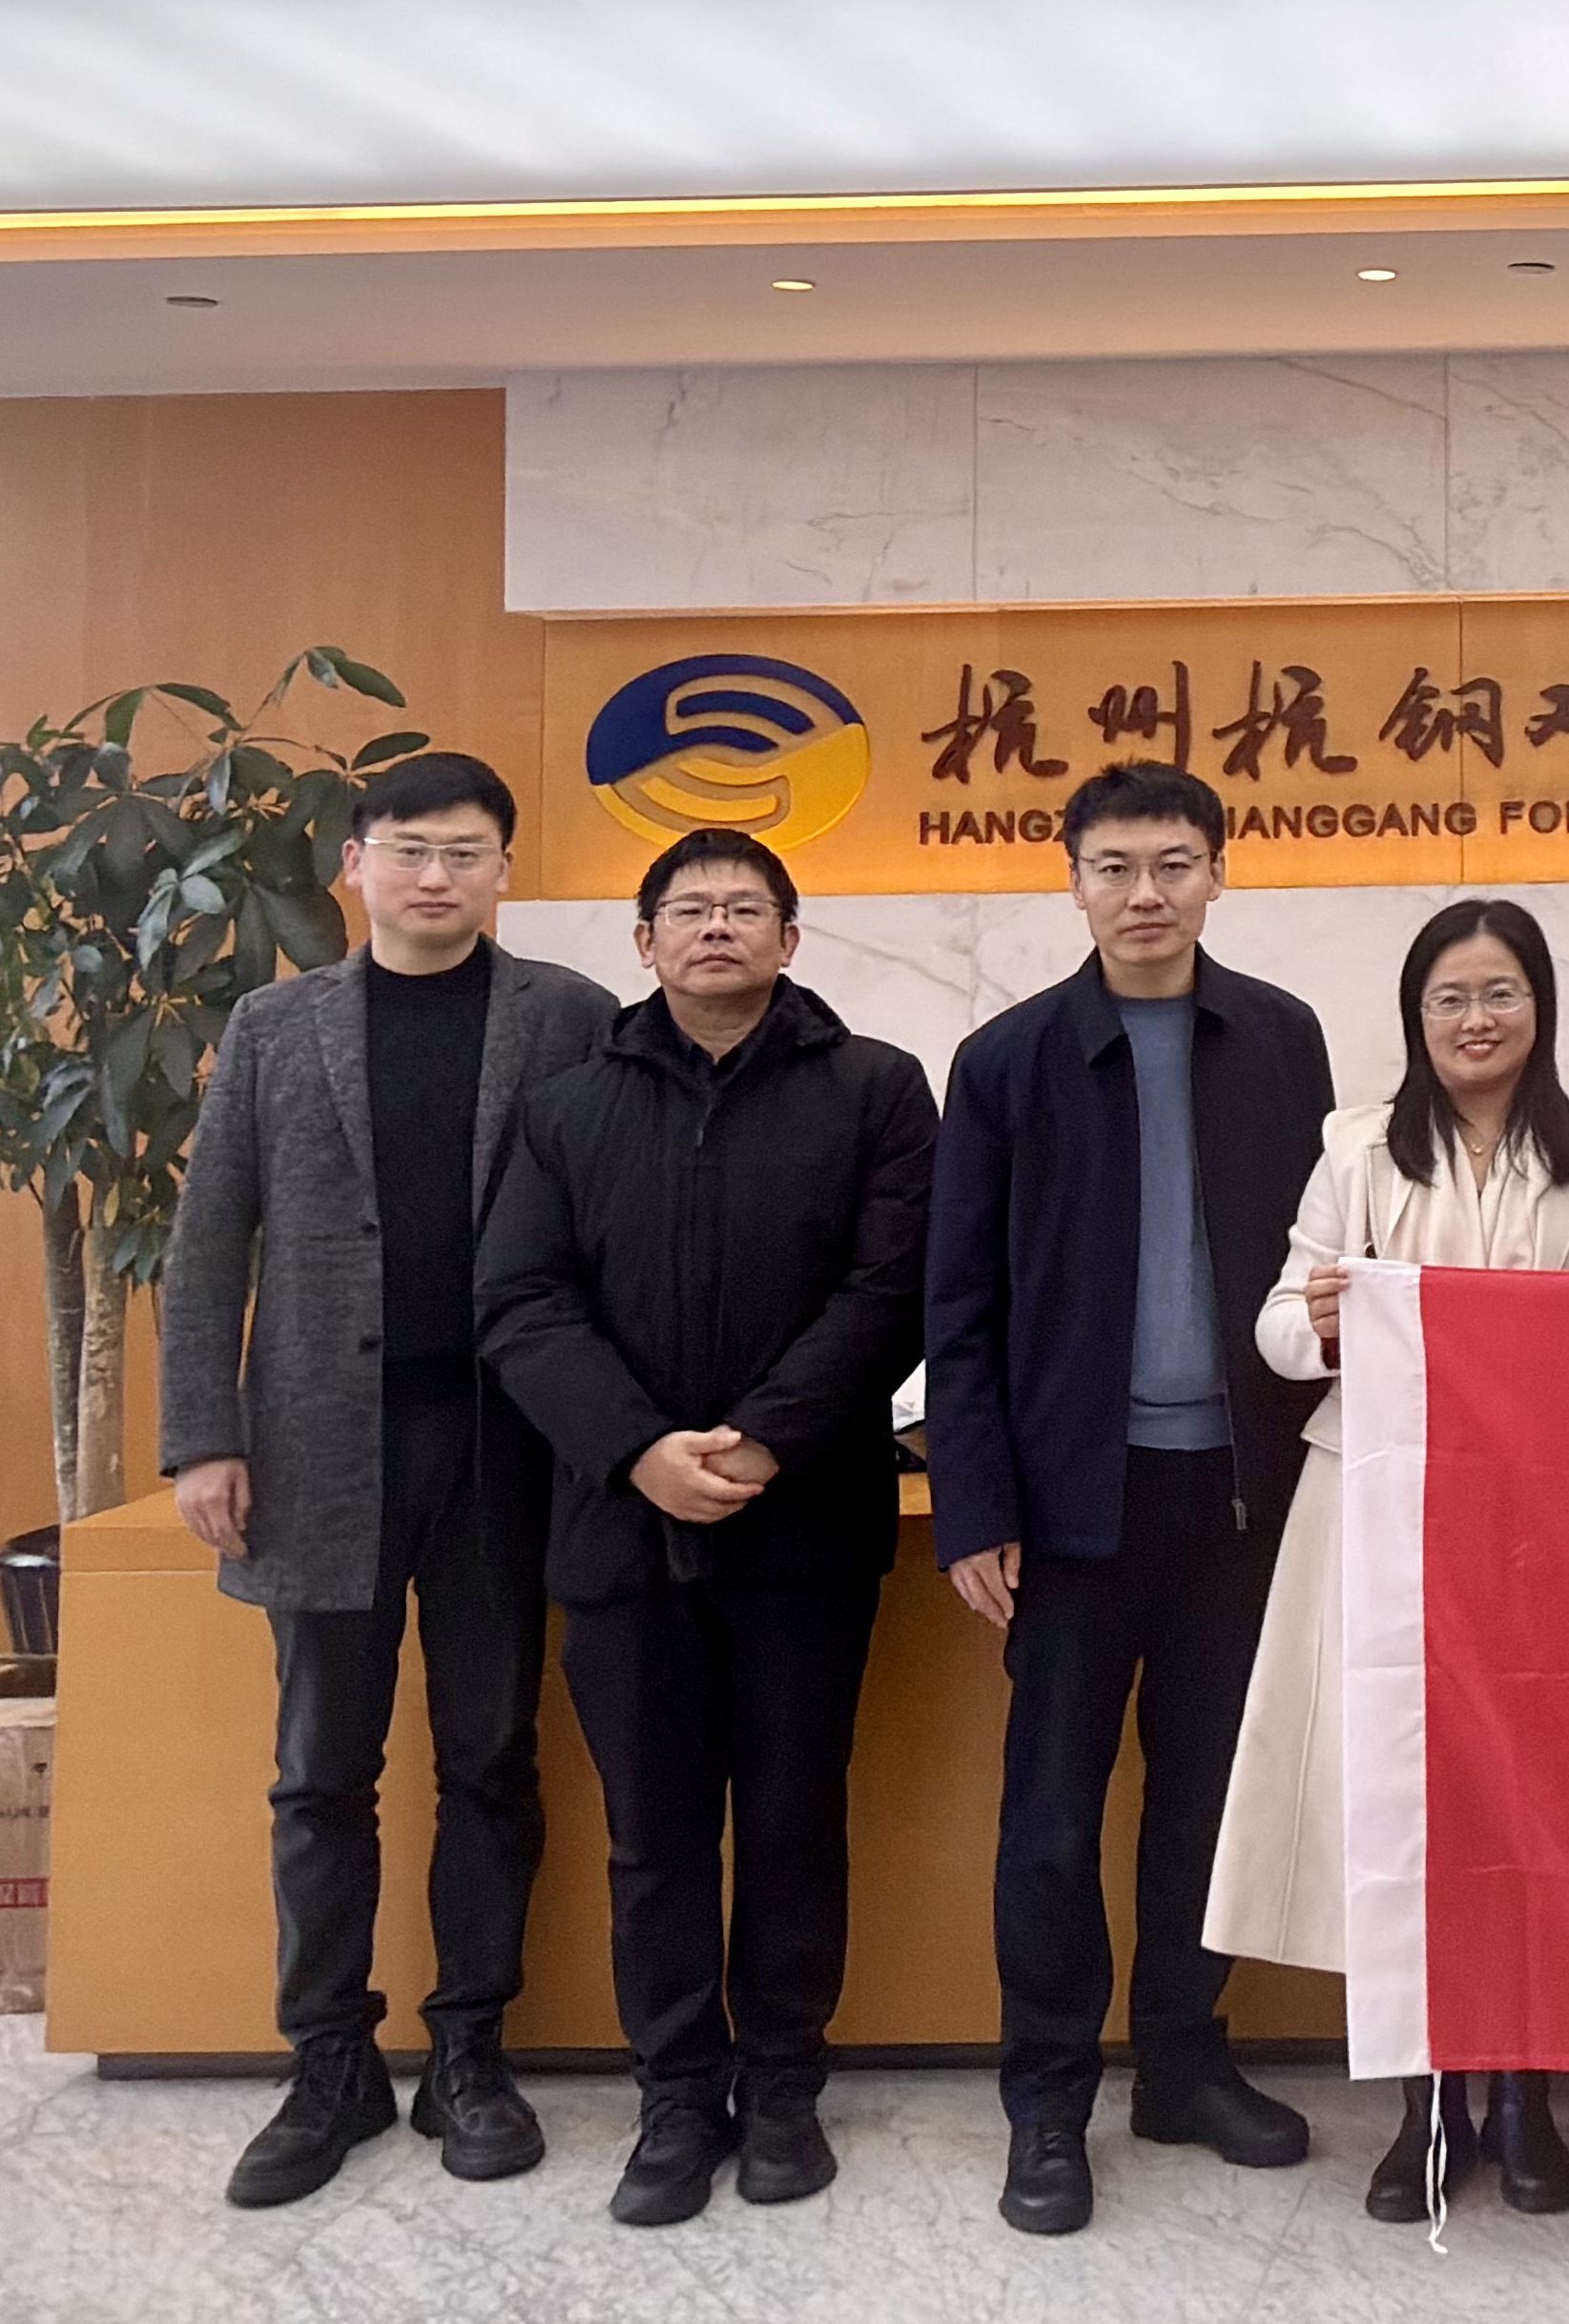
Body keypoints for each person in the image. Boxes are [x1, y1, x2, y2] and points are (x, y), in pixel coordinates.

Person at [155, 752, 615, 2210]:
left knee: (491, 1754)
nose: (435, 874)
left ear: (503, 871)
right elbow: (208, 1237)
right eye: (409, 847)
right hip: (312, 1447)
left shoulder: (570, 1016)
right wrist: (202, 1433)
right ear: (355, 862)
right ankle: (329, 2060)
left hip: (501, 1444)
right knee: (319, 1769)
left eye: (466, 851)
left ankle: (469, 2047)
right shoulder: (274, 1023)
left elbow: (613, 1222)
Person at [475, 828, 936, 2228]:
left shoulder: (874, 1087)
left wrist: (765, 1437)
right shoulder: (568, 1104)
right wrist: (639, 1448)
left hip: (807, 1526)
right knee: (653, 1836)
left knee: (795, 1818)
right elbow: (520, 1299)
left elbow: (894, 1288)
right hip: (622, 1533)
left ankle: (783, 2086)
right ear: (646, 941)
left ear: (791, 938)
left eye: (746, 907)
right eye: (690, 908)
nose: (717, 926)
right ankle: (676, 2094)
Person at [922, 763, 1339, 2237]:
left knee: (1207, 1796)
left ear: (1219, 871)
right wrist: (974, 1502)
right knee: (1049, 1813)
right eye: (1115, 866)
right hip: (1069, 1506)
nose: (1145, 892)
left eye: (1172, 862)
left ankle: (1181, 2061)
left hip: (1236, 1496)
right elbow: (957, 1302)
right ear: (1074, 881)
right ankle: (1047, 2098)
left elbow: (1316, 1258)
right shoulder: (1005, 1059)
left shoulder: (1281, 1038)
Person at [1206, 895, 1569, 2226]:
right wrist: (1327, 1320)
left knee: (1534, 1801)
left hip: (1546, 1524)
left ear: (1540, 1008)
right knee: (1400, 1801)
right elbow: (1277, 1328)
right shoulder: (1356, 1149)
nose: (1475, 1018)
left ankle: (1530, 2095)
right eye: (1449, 997)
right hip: (1379, 1509)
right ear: (1415, 1017)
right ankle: (1425, 2105)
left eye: (1500, 992)